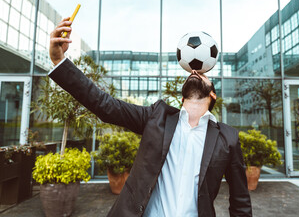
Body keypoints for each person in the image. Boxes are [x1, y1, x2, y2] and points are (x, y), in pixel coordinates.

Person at [48, 17, 252, 217]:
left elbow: (240, 201)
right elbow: (105, 105)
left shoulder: (228, 137)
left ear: (213, 95)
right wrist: (59, 60)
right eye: (191, 74)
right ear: (182, 98)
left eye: (203, 76)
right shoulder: (157, 117)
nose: (196, 73)